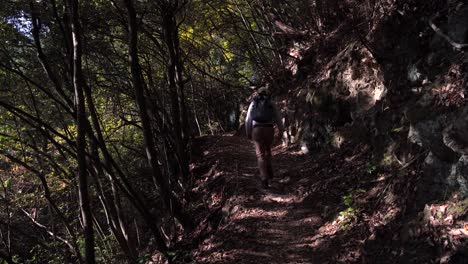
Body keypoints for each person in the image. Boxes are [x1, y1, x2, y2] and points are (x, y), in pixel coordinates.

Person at [245, 86, 284, 189]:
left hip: (256, 130)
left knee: (260, 155)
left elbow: (248, 120)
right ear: (267, 93)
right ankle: (269, 169)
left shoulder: (253, 103)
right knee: (267, 150)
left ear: (258, 94)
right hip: (269, 129)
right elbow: (278, 118)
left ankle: (264, 179)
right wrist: (281, 131)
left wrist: (248, 132)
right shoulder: (271, 103)